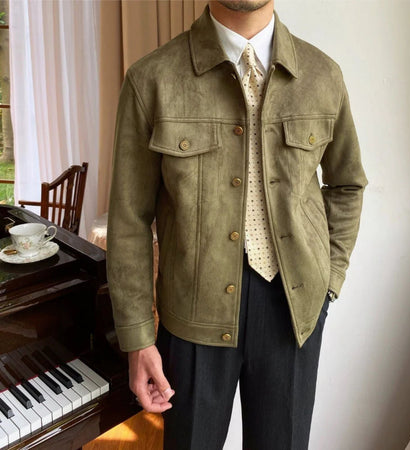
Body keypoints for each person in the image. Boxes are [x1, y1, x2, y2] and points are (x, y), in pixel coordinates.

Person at [107, 1, 367, 449]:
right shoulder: (152, 79)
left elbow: (347, 184)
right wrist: (137, 337)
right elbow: (129, 219)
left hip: (293, 312)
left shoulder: (323, 76)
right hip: (191, 316)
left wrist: (329, 280)